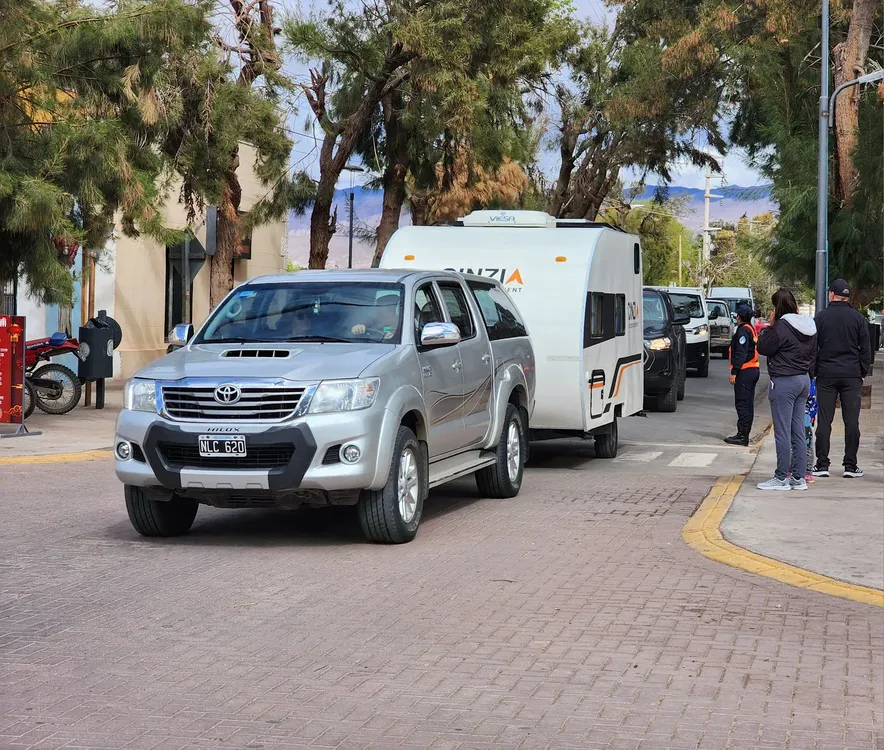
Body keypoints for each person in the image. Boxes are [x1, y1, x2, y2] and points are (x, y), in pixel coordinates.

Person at [755, 289, 817, 491]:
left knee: (782, 432)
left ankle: (781, 477)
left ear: (777, 307)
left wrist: (771, 325)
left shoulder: (781, 327)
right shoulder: (809, 326)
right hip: (803, 380)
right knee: (798, 430)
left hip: (784, 382)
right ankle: (798, 478)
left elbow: (764, 347)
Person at [811, 279, 871, 479]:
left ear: (831, 295)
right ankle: (850, 465)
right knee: (851, 421)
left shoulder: (820, 318)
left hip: (826, 375)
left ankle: (822, 465)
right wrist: (861, 372)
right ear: (847, 296)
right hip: (851, 375)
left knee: (825, 421)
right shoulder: (858, 319)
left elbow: (812, 348)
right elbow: (866, 350)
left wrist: (814, 371)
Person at [724, 304, 760, 446]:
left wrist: (734, 372)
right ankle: (745, 434)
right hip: (752, 370)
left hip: (745, 371)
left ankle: (742, 435)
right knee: (748, 403)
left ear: (738, 317)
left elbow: (741, 353)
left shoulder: (743, 332)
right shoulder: (750, 329)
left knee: (742, 403)